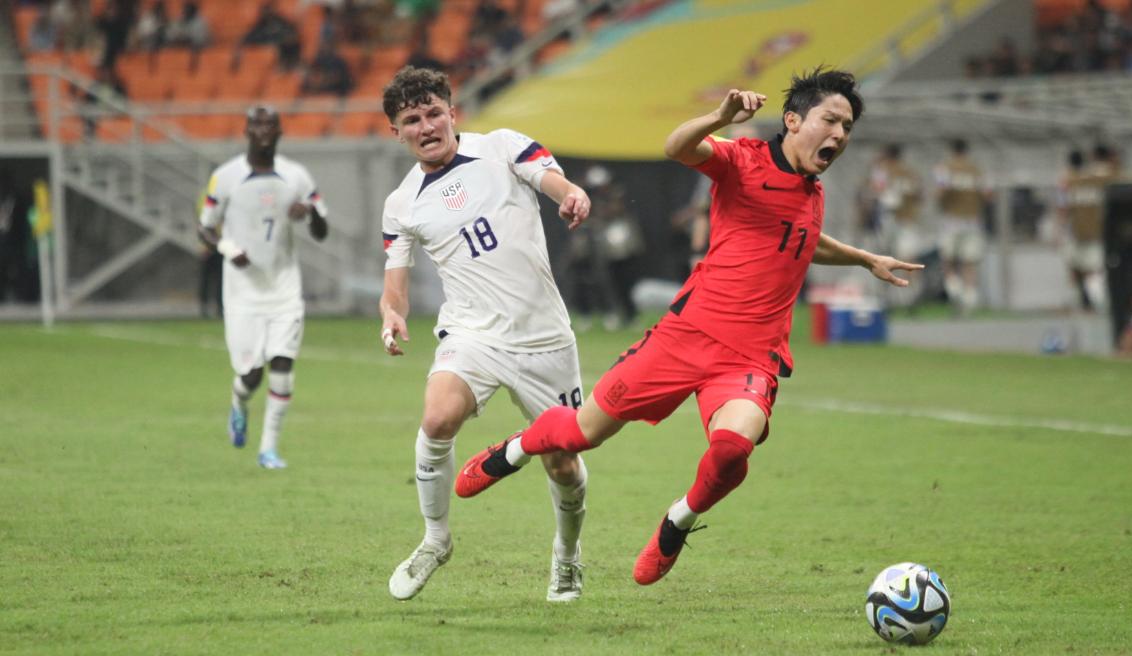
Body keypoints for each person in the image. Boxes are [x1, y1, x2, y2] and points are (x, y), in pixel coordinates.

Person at [455, 68, 921, 586]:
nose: (839, 134)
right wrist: (722, 117)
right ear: (792, 120)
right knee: (583, 433)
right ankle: (514, 450)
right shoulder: (742, 161)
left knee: (731, 449)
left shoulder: (813, 193)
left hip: (749, 357)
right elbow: (676, 147)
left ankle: (678, 521)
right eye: (830, 119)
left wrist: (863, 259)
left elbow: (805, 240)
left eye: (847, 127)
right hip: (684, 337)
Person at [377, 66, 592, 602]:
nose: (426, 126)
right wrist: (392, 315)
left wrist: (570, 193)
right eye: (411, 119)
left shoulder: (501, 146)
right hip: (473, 332)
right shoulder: (401, 204)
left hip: (544, 338)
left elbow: (550, 179)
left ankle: (567, 558)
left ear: (453, 112)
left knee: (563, 463)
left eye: (433, 113)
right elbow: (394, 285)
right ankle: (435, 539)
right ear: (396, 132)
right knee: (437, 417)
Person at [197, 106, 330, 469]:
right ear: (247, 131)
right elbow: (205, 227)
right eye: (257, 124)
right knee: (251, 375)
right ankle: (239, 403)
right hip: (242, 293)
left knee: (283, 367)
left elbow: (322, 229)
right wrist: (227, 249)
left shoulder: (297, 176)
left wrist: (311, 213)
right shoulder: (225, 177)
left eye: (270, 124)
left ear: (280, 131)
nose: (264, 131)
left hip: (285, 289)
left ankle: (268, 448)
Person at [933, 138, 989, 315]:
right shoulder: (977, 171)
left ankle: (954, 289)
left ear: (952, 151)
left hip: (952, 221)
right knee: (969, 263)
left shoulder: (944, 169)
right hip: (973, 221)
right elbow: (988, 195)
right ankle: (969, 299)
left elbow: (940, 192)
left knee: (947, 260)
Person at [867, 143, 925, 310]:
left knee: (883, 258)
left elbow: (875, 192)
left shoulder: (881, 171)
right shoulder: (910, 173)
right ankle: (911, 295)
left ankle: (885, 297)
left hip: (887, 220)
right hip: (908, 220)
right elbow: (920, 196)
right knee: (908, 258)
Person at [1056, 149, 1109, 311]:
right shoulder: (1096, 182)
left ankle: (1084, 301)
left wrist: (1058, 232)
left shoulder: (1068, 183)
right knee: (1092, 269)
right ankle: (1094, 302)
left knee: (1075, 268)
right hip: (1095, 233)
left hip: (1075, 234)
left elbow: (1062, 209)